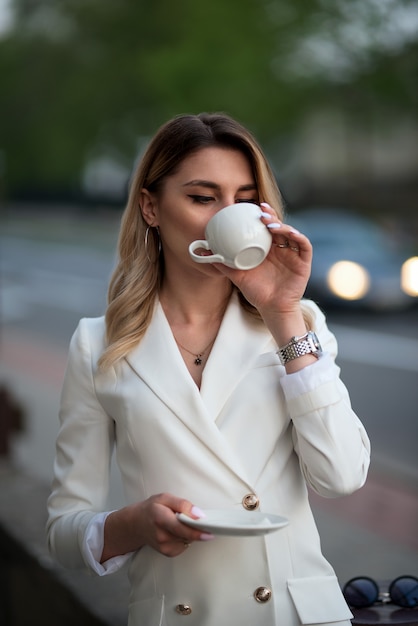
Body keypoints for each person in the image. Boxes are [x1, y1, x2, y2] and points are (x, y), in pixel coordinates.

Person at [46, 112, 370, 626]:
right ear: (151, 207)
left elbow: (342, 476)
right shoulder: (97, 344)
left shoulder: (297, 322)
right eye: (203, 198)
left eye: (243, 201)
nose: (227, 217)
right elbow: (63, 533)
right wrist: (132, 524)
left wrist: (282, 314)